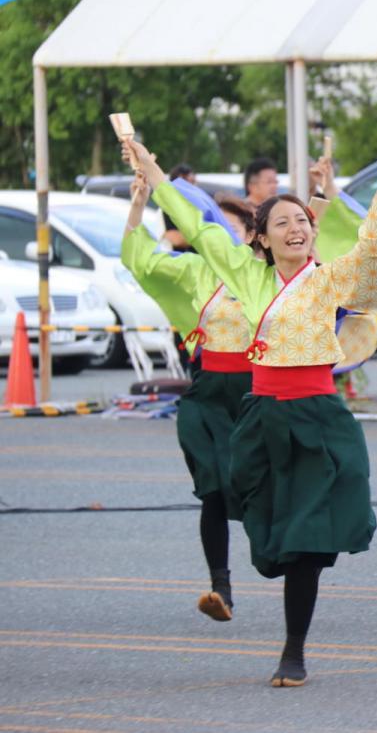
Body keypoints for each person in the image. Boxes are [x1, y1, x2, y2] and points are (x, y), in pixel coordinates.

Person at [125, 138, 377, 688]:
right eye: (282, 222)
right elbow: (198, 228)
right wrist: (150, 170)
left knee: (306, 543)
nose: (296, 227)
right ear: (262, 240)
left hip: (319, 416)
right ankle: (249, 573)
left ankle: (293, 650)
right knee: (269, 540)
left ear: (313, 232)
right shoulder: (246, 278)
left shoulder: (331, 279)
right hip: (262, 416)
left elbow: (373, 244)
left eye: (303, 220)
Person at [122, 174, 255, 622]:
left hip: (260, 394)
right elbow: (140, 261)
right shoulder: (196, 270)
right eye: (213, 229)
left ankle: (283, 561)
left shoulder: (268, 276)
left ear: (254, 236)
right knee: (213, 490)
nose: (220, 238)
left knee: (260, 488)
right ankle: (221, 587)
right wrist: (139, 205)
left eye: (232, 230)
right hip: (209, 393)